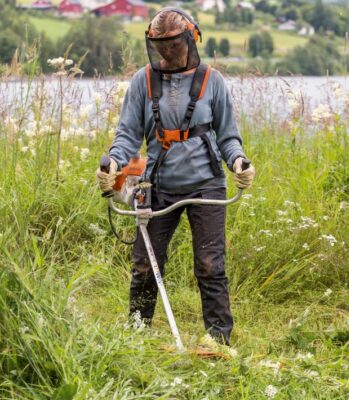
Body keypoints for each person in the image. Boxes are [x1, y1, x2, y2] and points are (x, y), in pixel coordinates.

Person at [95, 7, 255, 346]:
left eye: (173, 46)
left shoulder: (213, 81)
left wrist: (239, 162)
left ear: (190, 40)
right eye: (160, 47)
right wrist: (112, 165)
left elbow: (227, 137)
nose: (167, 54)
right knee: (143, 265)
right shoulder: (144, 80)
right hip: (158, 185)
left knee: (211, 264)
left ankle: (218, 340)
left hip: (206, 185)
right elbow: (127, 136)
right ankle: (137, 337)